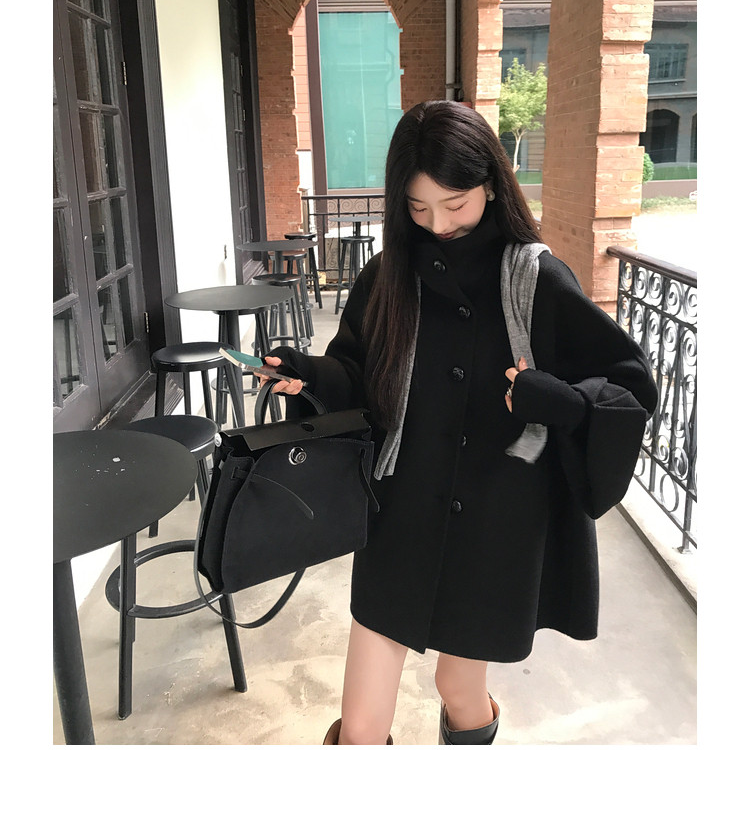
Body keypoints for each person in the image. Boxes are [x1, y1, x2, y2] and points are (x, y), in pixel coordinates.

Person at [261, 100, 657, 745]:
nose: (438, 224)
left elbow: (628, 386)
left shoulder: (535, 277)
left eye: (455, 204)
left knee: (459, 689)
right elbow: (358, 376)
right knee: (361, 726)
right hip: (401, 507)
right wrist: (310, 376)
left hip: (497, 519)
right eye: (418, 208)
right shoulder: (389, 275)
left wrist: (558, 400)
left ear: (492, 186)